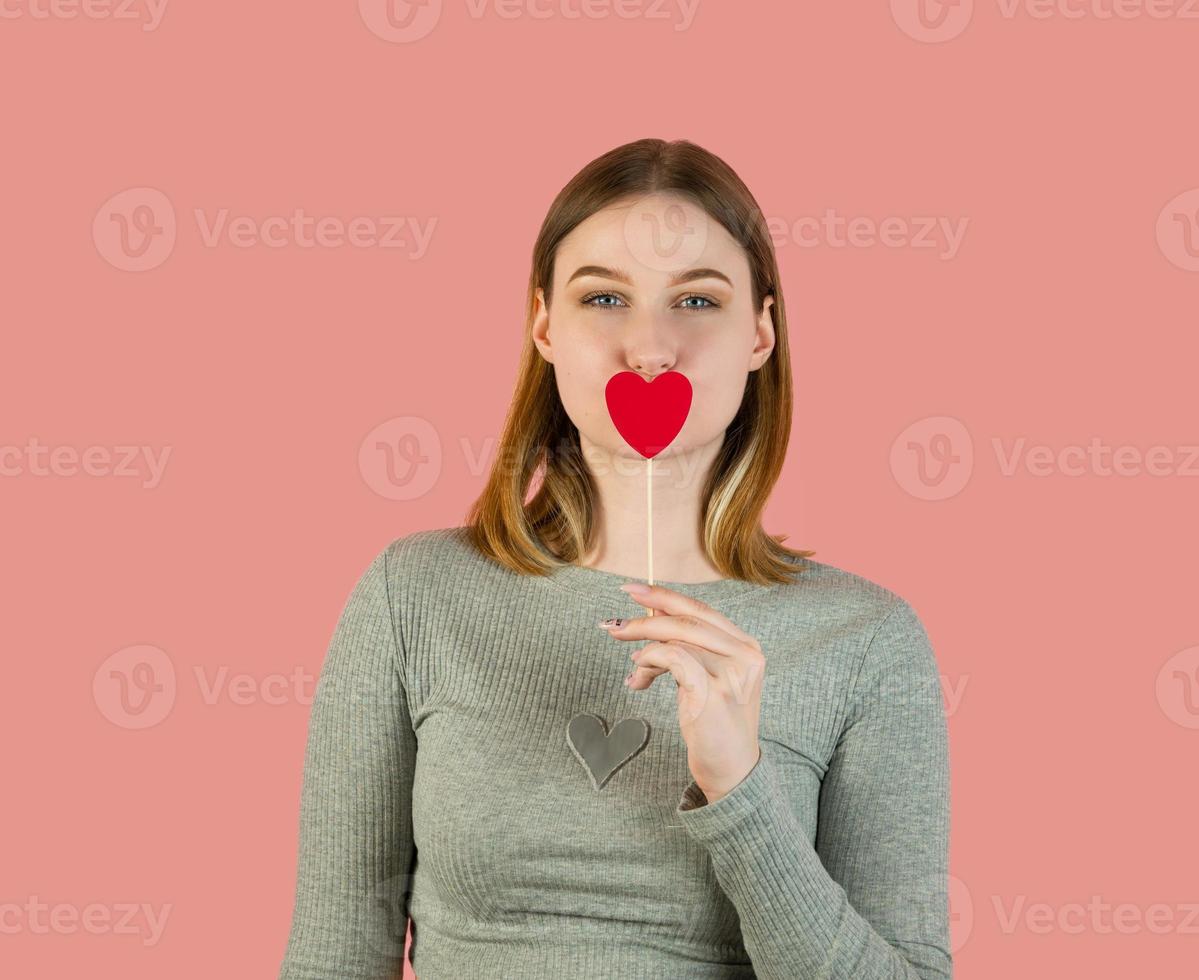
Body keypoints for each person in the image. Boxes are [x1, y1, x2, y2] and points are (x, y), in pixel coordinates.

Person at [277, 138, 951, 979]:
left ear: (760, 333)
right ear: (545, 325)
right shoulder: (411, 595)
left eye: (697, 302)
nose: (650, 347)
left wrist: (739, 788)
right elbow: (333, 954)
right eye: (603, 297)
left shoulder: (866, 639)